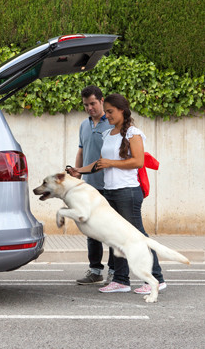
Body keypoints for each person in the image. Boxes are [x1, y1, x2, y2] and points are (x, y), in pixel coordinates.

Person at [68, 93, 166, 294]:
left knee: (138, 236)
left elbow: (138, 161)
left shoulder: (133, 133)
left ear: (122, 110)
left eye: (111, 112)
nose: (109, 115)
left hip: (128, 192)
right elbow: (100, 164)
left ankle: (157, 278)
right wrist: (79, 171)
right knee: (117, 238)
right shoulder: (108, 134)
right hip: (110, 192)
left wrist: (111, 163)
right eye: (109, 112)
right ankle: (121, 280)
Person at [74, 85, 115, 285]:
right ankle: (95, 270)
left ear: (101, 101)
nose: (89, 108)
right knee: (92, 230)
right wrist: (76, 178)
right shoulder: (84, 125)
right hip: (89, 187)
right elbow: (81, 152)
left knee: (112, 231)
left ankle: (115, 272)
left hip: (110, 186)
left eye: (92, 103)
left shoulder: (113, 123)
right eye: (85, 105)